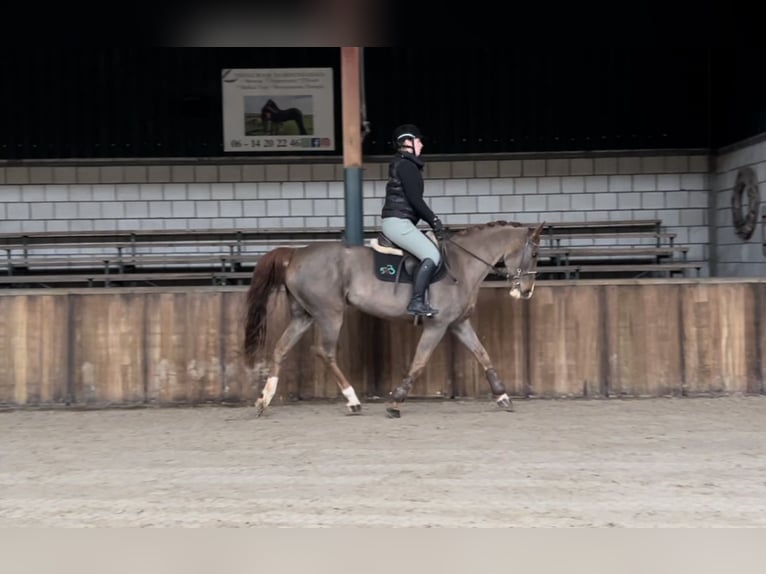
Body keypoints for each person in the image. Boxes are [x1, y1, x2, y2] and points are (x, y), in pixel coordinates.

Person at [381, 123, 445, 317]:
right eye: (419, 141)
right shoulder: (407, 166)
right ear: (408, 142)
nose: (422, 145)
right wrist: (434, 220)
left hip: (400, 221)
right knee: (432, 256)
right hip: (398, 222)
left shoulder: (404, 164)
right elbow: (415, 200)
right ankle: (416, 302)